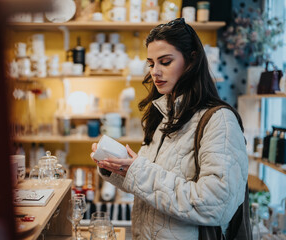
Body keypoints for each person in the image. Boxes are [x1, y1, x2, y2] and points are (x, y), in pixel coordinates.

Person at [90, 18, 248, 239]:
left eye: (165, 62)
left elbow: (217, 205)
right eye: (151, 63)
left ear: (191, 61)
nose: (155, 71)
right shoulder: (163, 115)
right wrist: (115, 166)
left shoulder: (219, 120)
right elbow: (148, 185)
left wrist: (138, 170)